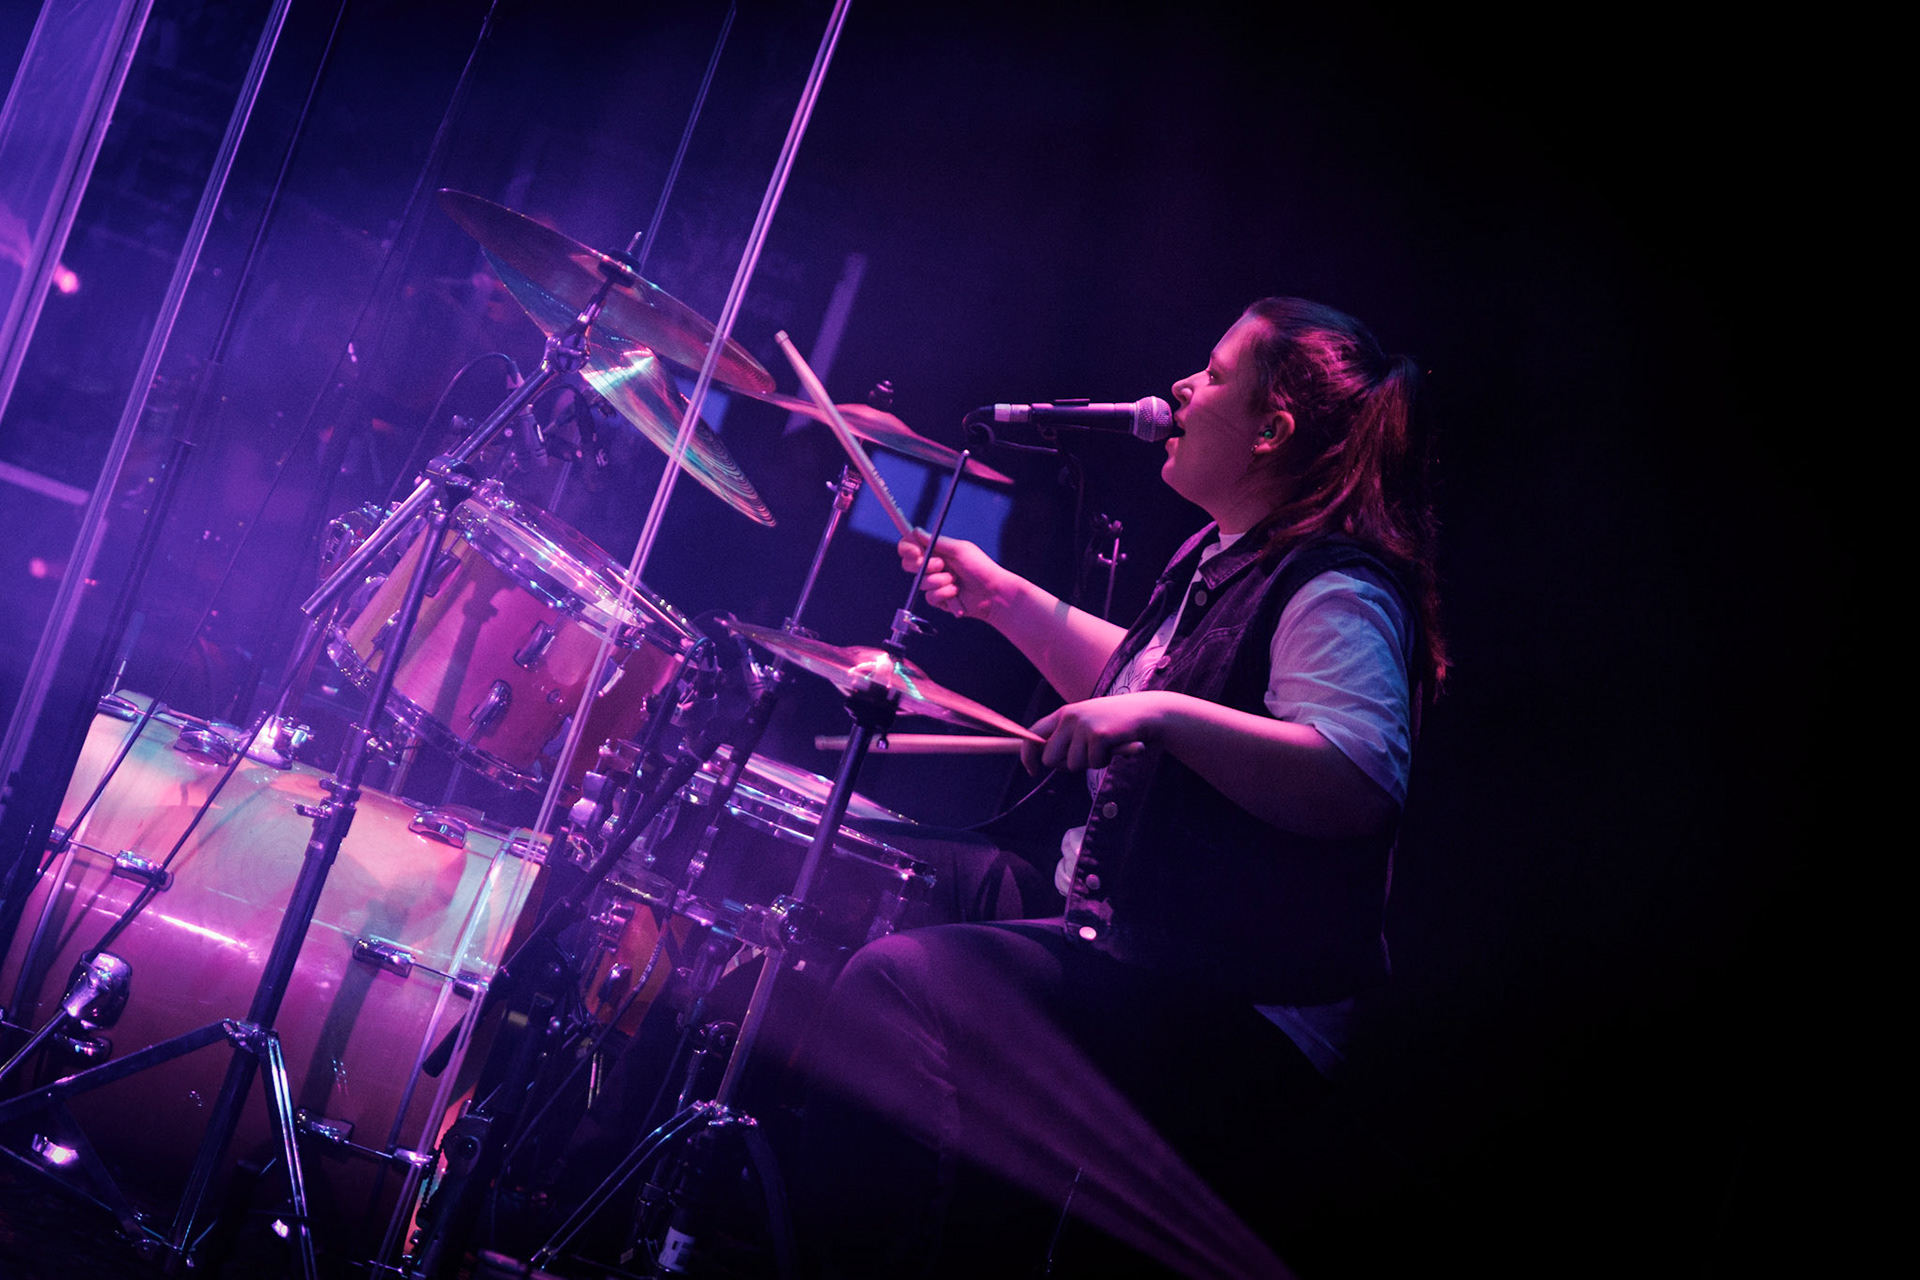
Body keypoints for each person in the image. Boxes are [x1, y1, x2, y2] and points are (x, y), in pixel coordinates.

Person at [796, 297, 1445, 1278]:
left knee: (900, 982)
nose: (1183, 385)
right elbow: (1145, 679)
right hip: (1133, 929)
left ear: (1271, 430)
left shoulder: (1335, 587)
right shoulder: (1223, 554)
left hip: (1233, 997)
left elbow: (1355, 779)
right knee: (858, 871)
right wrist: (1005, 599)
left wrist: (1161, 716)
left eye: (1215, 374)